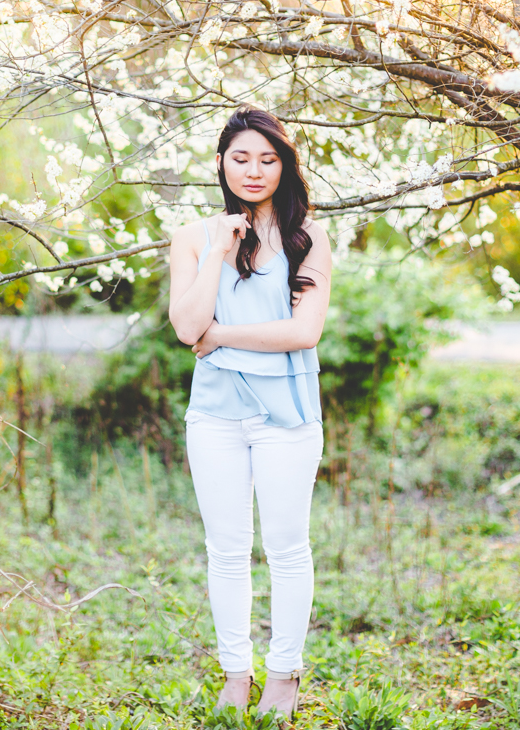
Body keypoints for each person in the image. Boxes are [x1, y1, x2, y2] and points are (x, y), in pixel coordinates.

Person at [167, 106, 332, 717]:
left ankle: (283, 675)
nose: (255, 170)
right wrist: (217, 249)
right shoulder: (192, 236)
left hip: (286, 416)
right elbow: (187, 327)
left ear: (284, 165)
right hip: (214, 415)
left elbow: (304, 332)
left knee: (287, 547)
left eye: (269, 159)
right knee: (226, 549)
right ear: (221, 164)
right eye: (241, 158)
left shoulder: (307, 237)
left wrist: (223, 337)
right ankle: (236, 675)